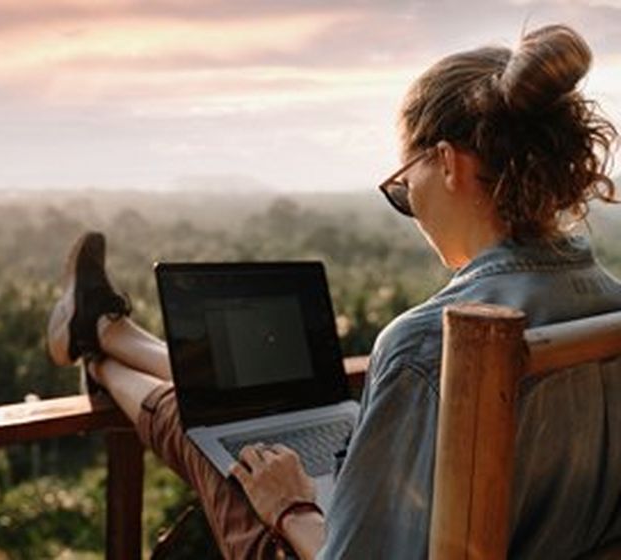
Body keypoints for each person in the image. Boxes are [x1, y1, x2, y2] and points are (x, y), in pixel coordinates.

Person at [47, 24, 621, 559]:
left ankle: (98, 348)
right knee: (231, 408)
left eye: (403, 187)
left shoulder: (429, 346)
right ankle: (103, 331)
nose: (409, 207)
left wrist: (291, 505)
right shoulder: (611, 307)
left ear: (446, 163)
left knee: (213, 439)